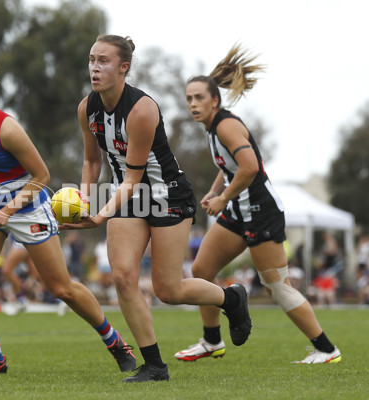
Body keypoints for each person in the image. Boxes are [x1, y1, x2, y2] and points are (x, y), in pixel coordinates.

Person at [0, 69, 136, 375]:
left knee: (62, 289)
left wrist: (10, 209)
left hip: (28, 206)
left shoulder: (6, 129)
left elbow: (42, 176)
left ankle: (115, 342)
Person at [65, 34, 252, 383]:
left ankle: (231, 299)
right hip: (127, 196)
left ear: (124, 68)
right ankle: (154, 366)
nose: (94, 67)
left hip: (167, 193)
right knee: (122, 277)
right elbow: (92, 163)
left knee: (169, 290)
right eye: (92, 59)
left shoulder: (142, 109)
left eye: (103, 61)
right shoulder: (86, 108)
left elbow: (134, 177)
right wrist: (82, 202)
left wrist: (101, 214)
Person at [175, 44, 341, 364]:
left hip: (261, 212)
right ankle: (211, 341)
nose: (193, 104)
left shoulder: (225, 124)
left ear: (215, 100)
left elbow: (250, 168)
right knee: (201, 270)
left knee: (276, 286)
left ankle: (325, 348)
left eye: (198, 98)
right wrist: (215, 191)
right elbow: (230, 168)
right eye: (189, 99)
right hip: (238, 211)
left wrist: (222, 198)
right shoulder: (212, 129)